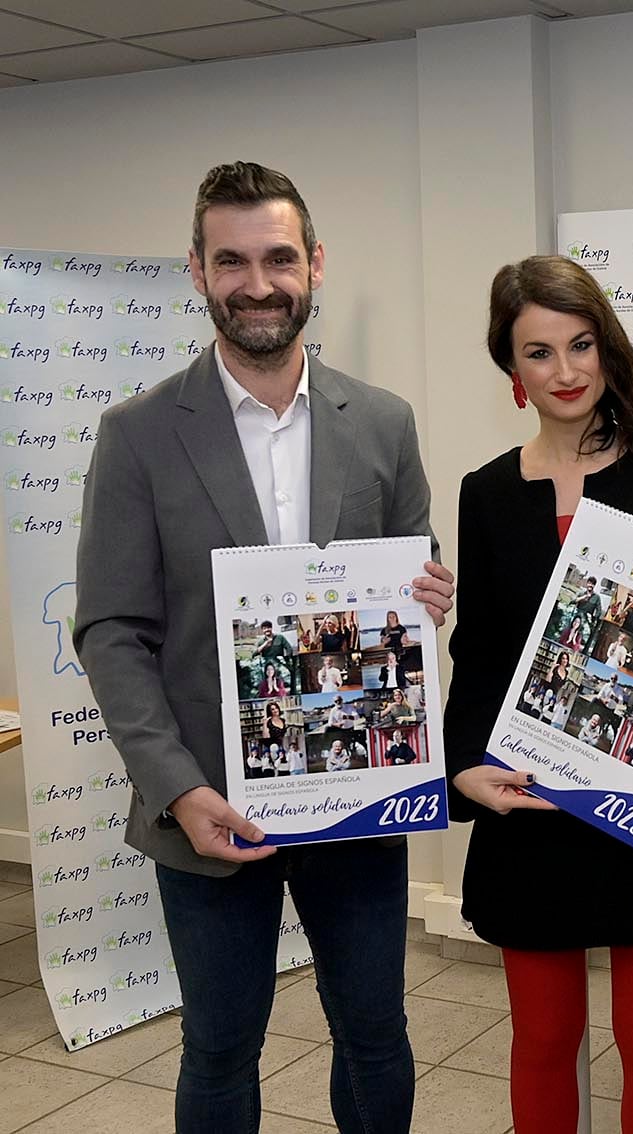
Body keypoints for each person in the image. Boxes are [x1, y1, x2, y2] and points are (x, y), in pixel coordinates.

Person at [72, 162, 453, 1134]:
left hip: (357, 793)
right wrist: (176, 788)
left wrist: (428, 593)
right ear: (196, 272)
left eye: (278, 257)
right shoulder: (139, 433)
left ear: (314, 265)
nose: (257, 282)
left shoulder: (381, 422)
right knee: (219, 1046)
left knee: (375, 1034)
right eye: (231, 260)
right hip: (205, 804)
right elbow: (113, 628)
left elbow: (415, 570)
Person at [442, 255, 633, 1134]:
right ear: (512, 371)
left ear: (608, 350)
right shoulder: (487, 493)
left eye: (581, 345)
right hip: (528, 803)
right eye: (539, 353)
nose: (567, 371)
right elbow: (482, 652)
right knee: (543, 1039)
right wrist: (463, 766)